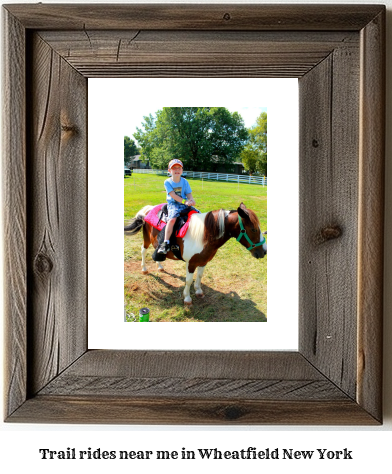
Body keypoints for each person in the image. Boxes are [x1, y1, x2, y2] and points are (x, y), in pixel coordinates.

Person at [157, 159, 195, 254]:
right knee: (172, 219)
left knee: (197, 214)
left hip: (184, 203)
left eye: (179, 168)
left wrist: (191, 200)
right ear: (169, 170)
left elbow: (188, 193)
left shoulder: (185, 181)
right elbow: (173, 195)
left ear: (182, 170)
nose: (177, 170)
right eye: (174, 168)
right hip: (173, 204)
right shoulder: (167, 182)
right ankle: (165, 243)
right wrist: (184, 201)